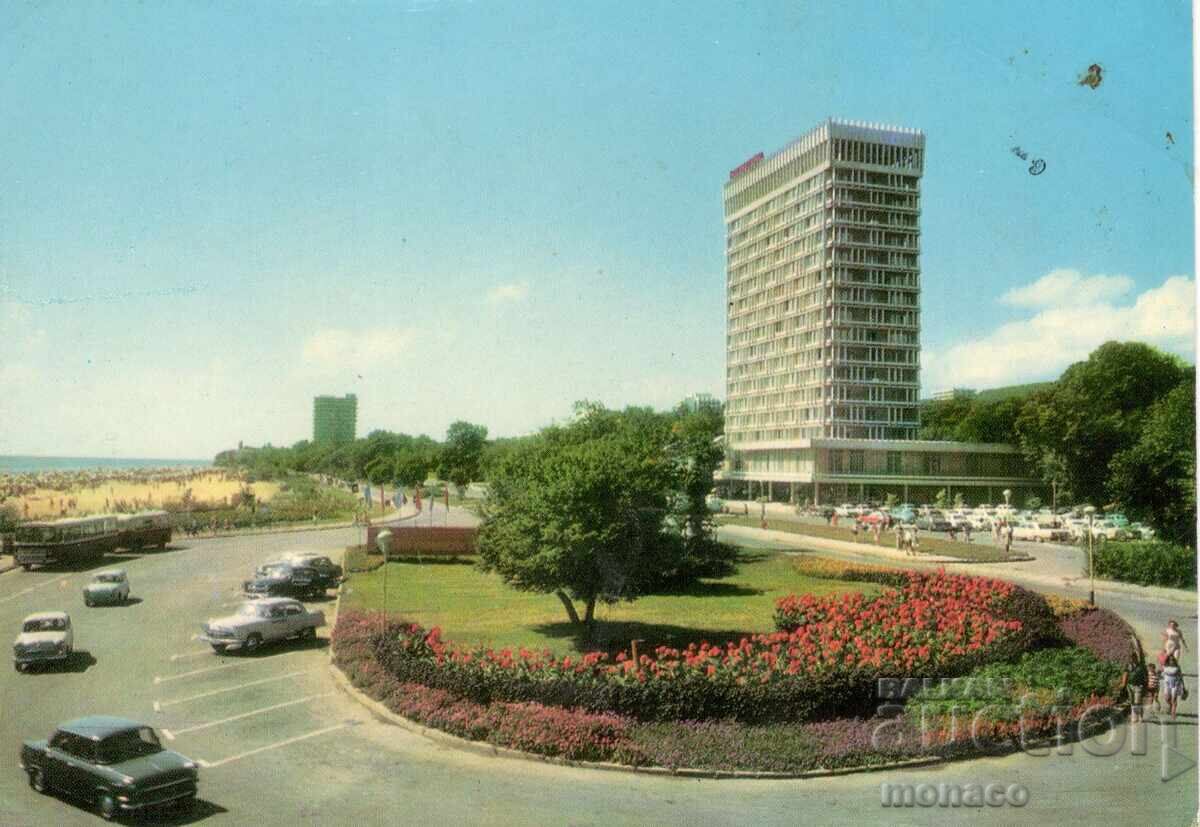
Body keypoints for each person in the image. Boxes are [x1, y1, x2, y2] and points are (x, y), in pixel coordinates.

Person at [1119, 650, 1148, 723]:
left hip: (1139, 686)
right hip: (1130, 685)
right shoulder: (1128, 666)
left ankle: (1139, 716)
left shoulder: (1141, 666)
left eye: (1133, 657)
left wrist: (1146, 686)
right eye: (1131, 658)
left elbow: (1146, 676)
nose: (1132, 659)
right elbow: (1125, 674)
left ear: (1136, 657)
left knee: (1137, 701)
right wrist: (1123, 684)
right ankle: (1134, 716)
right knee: (1132, 702)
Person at [1161, 654, 1185, 719]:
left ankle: (1173, 713)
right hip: (1167, 684)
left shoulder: (1177, 667)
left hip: (1175, 684)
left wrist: (1183, 686)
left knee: (1174, 699)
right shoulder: (1164, 666)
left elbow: (1181, 677)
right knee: (1166, 698)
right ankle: (1171, 705)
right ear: (1168, 660)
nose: (1171, 661)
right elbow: (1161, 673)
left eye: (1172, 660)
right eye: (1170, 660)